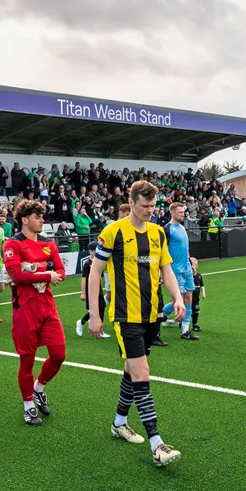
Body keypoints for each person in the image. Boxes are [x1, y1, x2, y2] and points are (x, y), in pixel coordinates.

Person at [86, 180, 185, 467]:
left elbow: (165, 268)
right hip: (125, 316)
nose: (150, 212)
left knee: (132, 371)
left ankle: (119, 422)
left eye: (153, 206)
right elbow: (95, 275)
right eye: (144, 206)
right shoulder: (113, 232)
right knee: (142, 374)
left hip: (152, 315)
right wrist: (94, 314)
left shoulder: (157, 232)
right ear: (131, 202)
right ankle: (157, 443)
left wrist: (177, 298)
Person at [3, 199, 67, 426]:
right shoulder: (12, 244)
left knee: (59, 355)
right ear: (24, 219)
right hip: (25, 309)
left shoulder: (49, 244)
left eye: (42, 217)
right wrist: (46, 274)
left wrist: (41, 271)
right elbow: (18, 276)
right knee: (27, 360)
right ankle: (28, 405)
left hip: (47, 307)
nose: (42, 221)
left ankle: (38, 387)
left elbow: (61, 270)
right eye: (37, 217)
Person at [161, 202, 198, 340]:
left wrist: (190, 264)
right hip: (175, 269)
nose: (182, 214)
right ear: (172, 212)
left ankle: (185, 331)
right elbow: (163, 249)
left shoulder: (182, 228)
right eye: (180, 212)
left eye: (183, 212)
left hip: (186, 269)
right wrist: (164, 270)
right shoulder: (167, 228)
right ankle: (160, 315)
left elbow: (185, 248)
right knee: (178, 299)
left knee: (189, 297)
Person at [77, 241, 111, 338]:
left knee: (102, 308)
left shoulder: (98, 263)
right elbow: (83, 279)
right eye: (95, 250)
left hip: (98, 288)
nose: (97, 252)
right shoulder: (87, 263)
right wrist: (83, 293)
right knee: (93, 309)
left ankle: (101, 330)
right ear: (90, 251)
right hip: (90, 290)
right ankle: (81, 322)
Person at [189, 257, 204, 333]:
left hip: (196, 298)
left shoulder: (199, 276)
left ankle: (195, 324)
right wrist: (193, 273)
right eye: (195, 264)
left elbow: (202, 285)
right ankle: (183, 323)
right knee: (190, 311)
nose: (196, 266)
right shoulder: (189, 276)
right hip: (189, 298)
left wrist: (203, 293)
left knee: (197, 311)